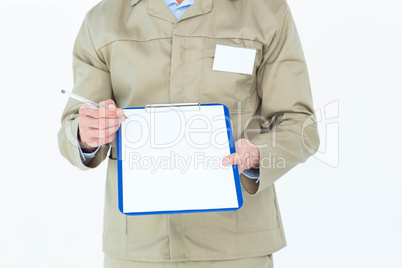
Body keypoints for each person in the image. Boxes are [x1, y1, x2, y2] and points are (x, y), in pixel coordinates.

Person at [58, 0, 320, 267]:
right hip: (138, 249)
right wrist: (86, 135)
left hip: (237, 248)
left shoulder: (266, 12)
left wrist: (257, 155)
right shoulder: (103, 20)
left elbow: (300, 124)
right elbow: (74, 123)